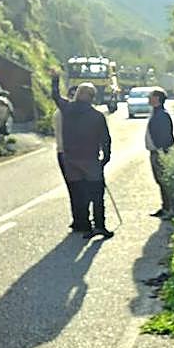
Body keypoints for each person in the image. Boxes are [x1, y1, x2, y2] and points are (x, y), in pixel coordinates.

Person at [51, 73, 113, 239]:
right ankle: (99, 225)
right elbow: (106, 139)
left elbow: (55, 96)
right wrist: (105, 159)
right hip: (91, 159)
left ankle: (84, 225)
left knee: (79, 193)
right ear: (92, 98)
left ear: (77, 94)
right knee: (97, 193)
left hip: (71, 159)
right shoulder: (98, 116)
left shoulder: (67, 109)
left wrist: (55, 79)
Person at [53, 84, 82, 228]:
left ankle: (78, 218)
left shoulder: (61, 112)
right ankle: (80, 218)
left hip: (63, 152)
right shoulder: (72, 113)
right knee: (78, 186)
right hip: (70, 152)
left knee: (74, 187)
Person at [146, 87, 174, 218]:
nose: (148, 99)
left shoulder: (162, 115)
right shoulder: (156, 113)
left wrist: (162, 152)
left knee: (167, 181)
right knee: (160, 181)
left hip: (161, 152)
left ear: (157, 99)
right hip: (156, 152)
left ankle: (172, 210)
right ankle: (165, 207)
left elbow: (165, 137)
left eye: (150, 96)